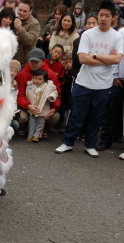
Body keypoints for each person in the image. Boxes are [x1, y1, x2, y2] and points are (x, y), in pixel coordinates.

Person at [55, 1, 123, 158]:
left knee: (96, 117)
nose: (103, 18)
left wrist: (96, 55)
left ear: (113, 17)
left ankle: (90, 145)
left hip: (103, 85)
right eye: (101, 15)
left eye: (107, 16)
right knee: (77, 115)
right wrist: (107, 58)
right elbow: (83, 59)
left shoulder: (116, 36)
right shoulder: (88, 34)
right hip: (83, 82)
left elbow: (117, 59)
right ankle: (68, 142)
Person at [17, 47, 61, 135]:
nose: (33, 64)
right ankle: (26, 128)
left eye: (36, 62)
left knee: (55, 116)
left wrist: (54, 108)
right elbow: (20, 95)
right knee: (22, 117)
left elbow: (57, 94)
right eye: (31, 61)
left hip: (44, 108)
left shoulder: (51, 75)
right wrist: (28, 106)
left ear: (43, 61)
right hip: (28, 108)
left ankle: (43, 129)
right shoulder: (22, 74)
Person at [97, 26, 124, 153]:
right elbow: (114, 55)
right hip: (118, 79)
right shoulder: (121, 33)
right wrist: (114, 75)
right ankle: (106, 140)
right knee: (112, 111)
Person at [25, 69, 57, 142]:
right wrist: (29, 105)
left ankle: (37, 135)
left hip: (43, 109)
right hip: (33, 109)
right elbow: (27, 95)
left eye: (40, 79)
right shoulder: (30, 86)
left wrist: (52, 96)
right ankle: (30, 135)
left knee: (40, 124)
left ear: (44, 80)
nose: (37, 81)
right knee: (31, 123)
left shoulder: (49, 86)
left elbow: (54, 92)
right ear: (32, 78)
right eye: (35, 78)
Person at [14, 0, 40, 67]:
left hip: (24, 62)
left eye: (25, 11)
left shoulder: (35, 24)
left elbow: (31, 42)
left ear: (30, 12)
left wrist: (20, 29)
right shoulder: (12, 18)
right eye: (20, 10)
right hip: (11, 57)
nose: (21, 13)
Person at [72, 13, 98, 79]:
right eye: (88, 23)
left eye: (94, 23)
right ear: (85, 26)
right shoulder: (77, 41)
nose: (91, 26)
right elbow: (77, 60)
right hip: (81, 75)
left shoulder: (104, 40)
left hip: (98, 75)